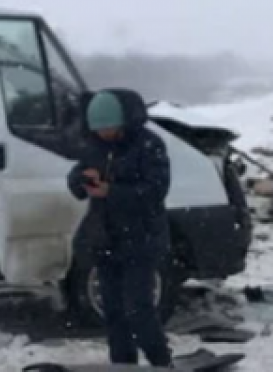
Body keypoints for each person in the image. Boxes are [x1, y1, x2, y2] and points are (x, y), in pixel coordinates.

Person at [67, 90, 172, 368]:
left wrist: (111, 191)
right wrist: (81, 180)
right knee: (113, 311)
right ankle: (123, 364)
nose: (104, 134)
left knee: (139, 309)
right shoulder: (94, 147)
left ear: (125, 122)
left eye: (109, 128)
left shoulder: (150, 145)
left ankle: (161, 362)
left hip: (141, 238)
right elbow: (75, 179)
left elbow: (155, 190)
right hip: (105, 239)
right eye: (98, 130)